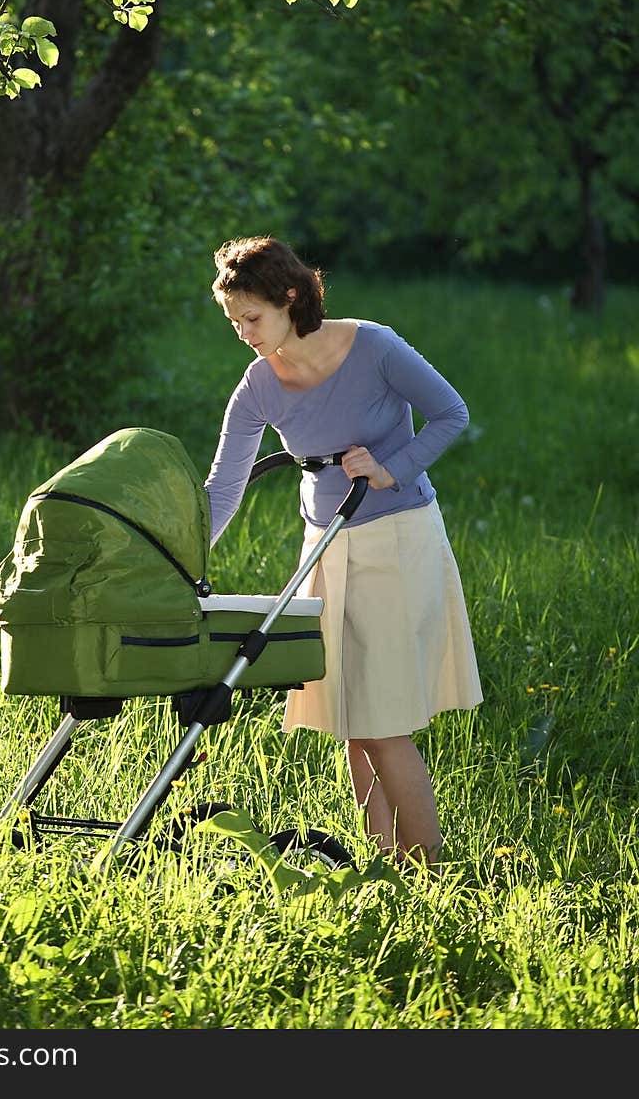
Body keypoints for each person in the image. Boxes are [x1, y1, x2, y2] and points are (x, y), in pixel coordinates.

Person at [204, 234, 483, 868]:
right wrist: (180, 553)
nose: (243, 333)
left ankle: (434, 876)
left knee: (383, 726)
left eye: (252, 318)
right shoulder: (257, 387)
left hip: (398, 540)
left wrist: (392, 466)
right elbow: (224, 488)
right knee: (353, 722)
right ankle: (386, 871)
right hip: (325, 547)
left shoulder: (375, 346)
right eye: (233, 321)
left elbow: (451, 413)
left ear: (290, 296)